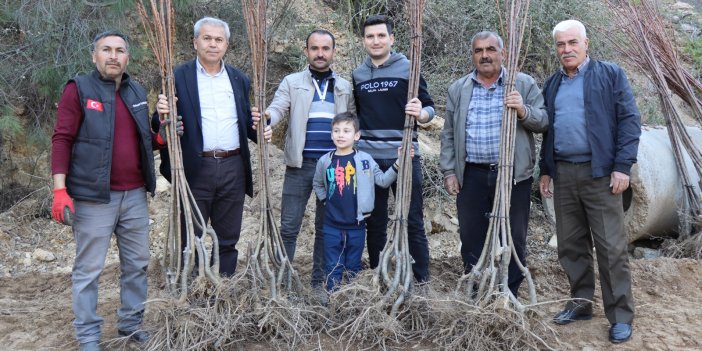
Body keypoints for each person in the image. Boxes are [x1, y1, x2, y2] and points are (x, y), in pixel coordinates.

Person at [51, 31, 155, 351]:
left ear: (128, 57)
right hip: (94, 198)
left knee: (137, 264)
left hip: (134, 195)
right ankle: (88, 336)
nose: (113, 56)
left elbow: (145, 137)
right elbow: (62, 138)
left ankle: (130, 324)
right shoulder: (79, 89)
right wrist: (60, 190)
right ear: (93, 55)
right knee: (89, 270)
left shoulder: (136, 90)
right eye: (106, 50)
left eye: (120, 50)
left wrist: (160, 137)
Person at [539, 19, 640, 344]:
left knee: (611, 249)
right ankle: (581, 303)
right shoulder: (552, 83)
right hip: (565, 174)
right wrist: (546, 168)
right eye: (560, 44)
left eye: (572, 43)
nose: (566, 49)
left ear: (586, 43)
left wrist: (622, 166)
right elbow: (548, 131)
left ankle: (620, 315)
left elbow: (629, 120)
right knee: (570, 245)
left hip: (602, 174)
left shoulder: (610, 75)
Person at [155, 17, 270, 276]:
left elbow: (246, 123)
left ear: (226, 45)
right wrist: (161, 112)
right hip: (196, 167)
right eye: (207, 38)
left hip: (233, 167)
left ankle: (224, 287)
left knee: (228, 236)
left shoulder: (239, 79)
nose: (212, 44)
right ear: (195, 42)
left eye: (219, 40)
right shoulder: (177, 77)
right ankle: (193, 290)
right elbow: (161, 122)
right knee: (191, 236)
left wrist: (261, 129)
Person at [439, 31, 548, 297]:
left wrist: (523, 110)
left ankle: (507, 295)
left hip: (512, 177)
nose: (485, 55)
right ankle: (476, 291)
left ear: (503, 52)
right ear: (473, 55)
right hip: (472, 175)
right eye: (479, 51)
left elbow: (543, 121)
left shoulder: (522, 84)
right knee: (472, 237)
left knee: (513, 237)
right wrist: (450, 170)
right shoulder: (459, 89)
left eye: (490, 49)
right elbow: (449, 134)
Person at [251, 29, 355, 288]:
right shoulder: (292, 81)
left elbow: (354, 122)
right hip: (299, 165)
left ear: (333, 52)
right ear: (306, 50)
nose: (320, 54)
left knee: (325, 229)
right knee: (289, 226)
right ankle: (283, 284)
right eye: (314, 48)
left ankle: (318, 283)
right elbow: (277, 109)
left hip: (334, 166)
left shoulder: (344, 86)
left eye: (325, 49)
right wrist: (266, 118)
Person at [352, 14, 434, 283]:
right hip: (369, 160)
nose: (375, 41)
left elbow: (429, 107)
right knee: (374, 222)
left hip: (405, 156)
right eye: (370, 36)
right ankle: (381, 275)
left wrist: (421, 113)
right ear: (363, 40)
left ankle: (420, 280)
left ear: (391, 38)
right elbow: (357, 115)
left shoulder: (409, 68)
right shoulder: (358, 74)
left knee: (411, 220)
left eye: (381, 35)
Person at [312, 112, 400, 292]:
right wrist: (325, 201)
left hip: (357, 225)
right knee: (333, 266)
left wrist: (398, 163)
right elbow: (317, 183)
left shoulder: (365, 160)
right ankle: (333, 301)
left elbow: (383, 181)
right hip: (331, 225)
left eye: (346, 131)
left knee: (353, 266)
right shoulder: (325, 161)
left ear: (356, 135)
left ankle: (351, 300)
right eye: (336, 131)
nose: (341, 135)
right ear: (331, 134)